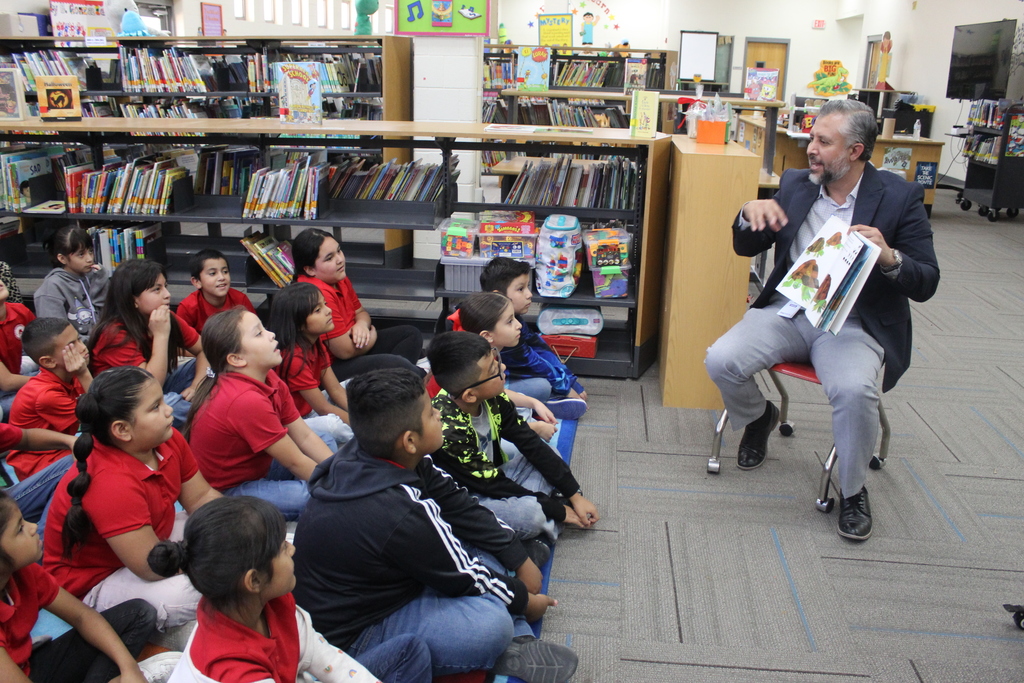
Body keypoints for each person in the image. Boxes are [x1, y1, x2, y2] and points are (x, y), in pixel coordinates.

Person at [704, 98, 940, 542]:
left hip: (851, 323)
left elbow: (926, 281)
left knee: (853, 390)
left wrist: (890, 257)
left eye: (823, 142)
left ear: (855, 151)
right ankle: (759, 417)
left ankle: (852, 492)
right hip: (790, 311)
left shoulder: (899, 196)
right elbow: (746, 246)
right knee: (721, 359)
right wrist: (747, 216)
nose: (810, 148)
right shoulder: (796, 183)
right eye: (811, 137)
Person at [292, 368, 579, 683]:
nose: (440, 416)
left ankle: (508, 599)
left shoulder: (375, 456)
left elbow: (459, 504)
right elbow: (462, 576)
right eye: (431, 413)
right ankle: (513, 638)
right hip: (359, 633)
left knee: (473, 536)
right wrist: (526, 602)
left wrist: (516, 556)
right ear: (410, 441)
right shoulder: (398, 510)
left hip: (393, 583)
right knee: (490, 625)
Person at [148, 496, 432, 683]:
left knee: (411, 650)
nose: (293, 548)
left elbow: (326, 658)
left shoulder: (270, 602)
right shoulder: (232, 671)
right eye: (283, 548)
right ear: (254, 581)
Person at [43, 366, 221, 632]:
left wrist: (235, 532)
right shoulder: (109, 482)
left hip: (151, 541)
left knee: (234, 529)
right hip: (99, 580)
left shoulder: (165, 439)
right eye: (155, 407)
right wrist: (221, 561)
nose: (169, 410)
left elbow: (201, 496)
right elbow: (151, 567)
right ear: (122, 430)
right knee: (198, 591)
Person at [428, 331, 598, 542]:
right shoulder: (449, 431)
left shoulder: (491, 397)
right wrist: (559, 510)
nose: (503, 368)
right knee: (529, 515)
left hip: (491, 475)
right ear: (470, 395)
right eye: (494, 369)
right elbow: (491, 487)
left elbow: (528, 441)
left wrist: (574, 494)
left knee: (548, 452)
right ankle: (532, 533)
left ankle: (536, 526)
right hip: (470, 497)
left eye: (496, 361)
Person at [184, 308, 335, 521]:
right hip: (226, 492)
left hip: (258, 468)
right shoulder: (244, 400)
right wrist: (340, 488)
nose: (271, 334)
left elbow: (304, 436)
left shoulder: (269, 377)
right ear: (236, 359)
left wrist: (342, 474)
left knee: (324, 440)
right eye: (259, 333)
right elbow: (295, 461)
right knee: (310, 496)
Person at [0, 491, 158, 683]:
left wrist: (130, 669)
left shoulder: (25, 572)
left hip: (28, 666)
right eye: (19, 529)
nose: (33, 527)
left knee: (138, 614)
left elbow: (82, 616)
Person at [88, 260, 208, 428]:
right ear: (133, 300)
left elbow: (204, 350)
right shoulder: (114, 333)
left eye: (165, 286)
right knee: (177, 408)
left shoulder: (164, 316)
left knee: (217, 366)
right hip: (128, 404)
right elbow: (149, 386)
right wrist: (160, 335)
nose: (167, 294)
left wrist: (197, 385)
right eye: (156, 290)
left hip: (160, 387)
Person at [292, 228, 424, 381]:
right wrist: (371, 335)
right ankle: (409, 379)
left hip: (357, 344)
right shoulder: (316, 294)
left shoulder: (337, 277)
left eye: (339, 251)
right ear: (309, 269)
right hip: (333, 367)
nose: (340, 259)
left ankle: (397, 380)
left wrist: (361, 325)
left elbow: (360, 312)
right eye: (329, 258)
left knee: (410, 335)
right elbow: (344, 351)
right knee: (395, 363)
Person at [456, 280, 586, 420]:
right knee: (541, 387)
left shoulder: (488, 350)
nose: (518, 325)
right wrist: (534, 426)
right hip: (472, 415)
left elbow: (540, 350)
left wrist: (533, 402)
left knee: (538, 385)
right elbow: (499, 421)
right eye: (510, 321)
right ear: (487, 336)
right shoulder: (474, 365)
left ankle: (536, 406)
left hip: (489, 397)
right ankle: (537, 407)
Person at [267, 282, 353, 449]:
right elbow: (322, 408)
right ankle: (368, 442)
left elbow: (335, 389)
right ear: (298, 323)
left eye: (325, 304)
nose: (329, 311)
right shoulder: (293, 358)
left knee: (356, 385)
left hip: (311, 409)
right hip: (295, 421)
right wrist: (364, 427)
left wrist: (362, 417)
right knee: (333, 425)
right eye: (317, 310)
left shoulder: (315, 340)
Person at [7, 318, 91, 481]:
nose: (82, 348)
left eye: (79, 339)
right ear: (48, 361)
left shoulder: (68, 375)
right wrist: (84, 373)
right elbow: (104, 414)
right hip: (39, 466)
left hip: (62, 449)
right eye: (72, 346)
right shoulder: (46, 394)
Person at [33, 226, 109, 346]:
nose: (89, 259)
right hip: (78, 351)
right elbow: (57, 336)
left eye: (90, 251)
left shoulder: (96, 275)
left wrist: (101, 282)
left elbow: (107, 314)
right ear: (62, 258)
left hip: (104, 343)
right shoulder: (51, 289)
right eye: (81, 255)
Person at [175, 249, 255, 333]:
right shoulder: (187, 308)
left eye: (225, 272)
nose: (222, 277)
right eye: (213, 273)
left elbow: (254, 331)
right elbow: (181, 342)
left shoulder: (240, 300)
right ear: (197, 282)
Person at [0, 278, 35, 422]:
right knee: (40, 401)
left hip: (18, 371)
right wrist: (52, 381)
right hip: (3, 391)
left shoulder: (19, 310)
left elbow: (42, 345)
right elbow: (7, 383)